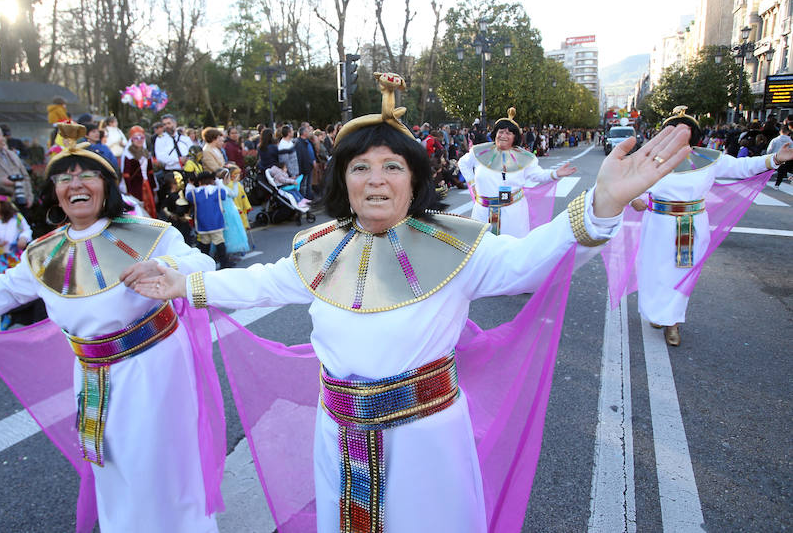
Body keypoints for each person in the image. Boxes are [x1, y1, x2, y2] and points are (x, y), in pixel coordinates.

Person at [130, 72, 691, 533]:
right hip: (341, 434)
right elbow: (262, 284)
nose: (376, 180)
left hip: (428, 436)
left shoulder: (455, 245)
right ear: (343, 180)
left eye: (392, 166)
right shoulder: (317, 250)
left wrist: (603, 202)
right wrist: (184, 285)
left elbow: (526, 263)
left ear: (414, 178)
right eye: (360, 167)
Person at [0, 122, 223, 532]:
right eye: (64, 177)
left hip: (156, 368)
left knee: (162, 465)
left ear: (107, 185)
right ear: (55, 192)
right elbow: (5, 289)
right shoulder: (44, 253)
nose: (74, 184)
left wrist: (165, 267)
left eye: (87, 174)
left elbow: (204, 264)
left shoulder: (151, 235)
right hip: (92, 375)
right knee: (112, 468)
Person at [627, 106, 793, 346]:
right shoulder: (652, 158)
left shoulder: (708, 158)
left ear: (693, 134)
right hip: (657, 224)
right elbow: (635, 185)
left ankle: (671, 321)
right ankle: (656, 312)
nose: (677, 135)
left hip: (690, 227)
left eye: (683, 131)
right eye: (672, 130)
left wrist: (775, 159)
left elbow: (742, 167)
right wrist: (636, 199)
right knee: (654, 270)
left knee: (680, 272)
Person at [458, 108, 576, 237]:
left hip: (513, 213)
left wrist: (556, 174)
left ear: (515, 137)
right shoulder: (479, 151)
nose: (503, 135)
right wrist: (472, 183)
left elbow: (538, 175)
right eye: (500, 132)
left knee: (512, 249)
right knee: (482, 248)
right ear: (495, 133)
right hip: (482, 212)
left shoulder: (524, 157)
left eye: (508, 133)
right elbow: (463, 163)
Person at [187, 171, 230, 269]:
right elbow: (224, 195)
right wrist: (220, 184)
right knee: (219, 243)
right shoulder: (218, 190)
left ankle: (205, 265)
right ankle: (224, 264)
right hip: (216, 222)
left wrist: (190, 186)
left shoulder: (194, 192)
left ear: (199, 182)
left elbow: (188, 196)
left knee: (204, 245)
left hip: (202, 223)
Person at [121, 125, 158, 217]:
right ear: (132, 139)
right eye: (136, 138)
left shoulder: (146, 153)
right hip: (135, 187)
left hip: (147, 184)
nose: (139, 140)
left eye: (141, 137)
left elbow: (150, 171)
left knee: (150, 206)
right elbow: (126, 174)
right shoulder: (128, 154)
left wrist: (154, 187)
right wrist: (128, 190)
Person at [217, 166, 249, 255]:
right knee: (232, 230)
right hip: (229, 211)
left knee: (226, 231)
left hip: (226, 210)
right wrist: (235, 183)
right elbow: (234, 194)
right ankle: (230, 251)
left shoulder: (220, 186)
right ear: (224, 178)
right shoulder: (224, 188)